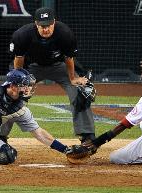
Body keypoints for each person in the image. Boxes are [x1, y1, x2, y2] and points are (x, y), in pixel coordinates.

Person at [8, 7, 96, 144]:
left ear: (54, 22)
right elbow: (18, 61)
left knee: (81, 90)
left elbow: (69, 58)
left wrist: (73, 79)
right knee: (10, 93)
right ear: (36, 24)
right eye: (42, 26)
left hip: (59, 66)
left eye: (49, 25)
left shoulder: (65, 33)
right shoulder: (22, 35)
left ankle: (87, 137)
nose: (46, 29)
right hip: (31, 67)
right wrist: (21, 82)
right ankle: (0, 136)